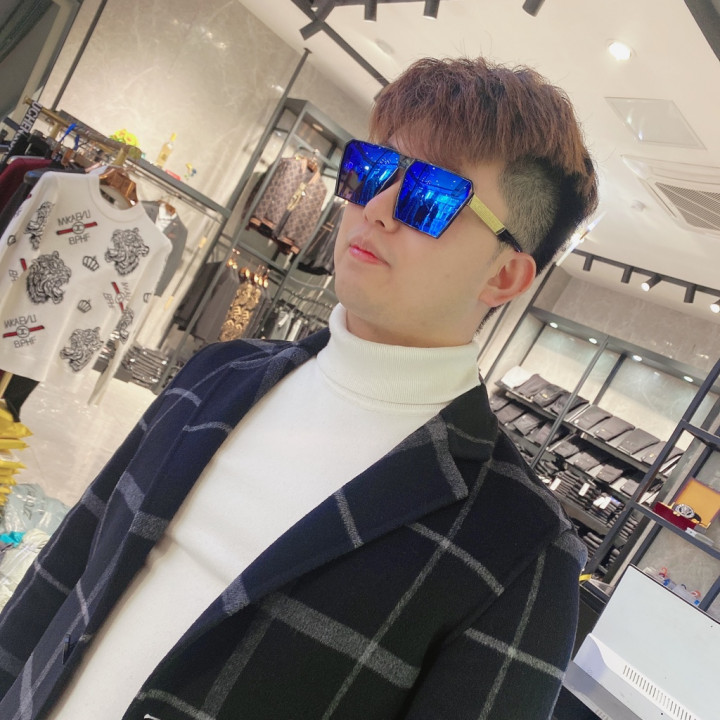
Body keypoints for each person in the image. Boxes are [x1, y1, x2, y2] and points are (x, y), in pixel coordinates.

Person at [0, 56, 598, 720]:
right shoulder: (217, 374)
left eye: (430, 196)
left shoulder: (521, 551)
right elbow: (66, 570)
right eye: (373, 169)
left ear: (505, 277)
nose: (375, 208)